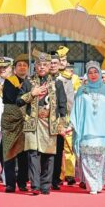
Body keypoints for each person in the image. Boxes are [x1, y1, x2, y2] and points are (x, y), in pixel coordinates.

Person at [17, 49, 67, 195]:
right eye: (39, 64)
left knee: (49, 155)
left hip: (50, 123)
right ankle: (35, 185)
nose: (42, 67)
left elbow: (62, 105)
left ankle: (46, 185)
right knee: (33, 154)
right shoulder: (28, 82)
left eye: (45, 64)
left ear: (49, 66)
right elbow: (18, 101)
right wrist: (31, 94)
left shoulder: (57, 83)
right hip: (33, 122)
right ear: (35, 66)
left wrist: (62, 124)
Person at [71, 61, 105, 194]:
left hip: (104, 132)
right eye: (90, 72)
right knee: (88, 160)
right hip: (86, 132)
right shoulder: (82, 90)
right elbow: (76, 111)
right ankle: (92, 184)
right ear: (86, 75)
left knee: (101, 161)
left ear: (100, 73)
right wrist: (73, 125)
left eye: (95, 72)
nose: (93, 75)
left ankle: (98, 182)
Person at [2, 53, 29, 193]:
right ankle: (10, 183)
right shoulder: (9, 81)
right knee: (9, 152)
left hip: (26, 121)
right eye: (19, 65)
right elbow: (12, 98)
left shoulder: (31, 82)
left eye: (25, 65)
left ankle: (23, 182)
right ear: (15, 68)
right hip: (11, 120)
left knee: (24, 154)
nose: (22, 67)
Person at [48, 51, 74, 189]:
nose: (52, 66)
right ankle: (44, 177)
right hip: (43, 120)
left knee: (58, 151)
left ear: (59, 65)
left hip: (59, 120)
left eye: (55, 63)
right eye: (50, 63)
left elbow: (69, 103)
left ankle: (55, 179)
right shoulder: (40, 78)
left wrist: (65, 123)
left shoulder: (66, 80)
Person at [56, 46, 78, 186]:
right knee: (58, 147)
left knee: (70, 146)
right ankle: (59, 174)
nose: (62, 62)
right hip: (56, 116)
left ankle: (70, 174)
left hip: (69, 115)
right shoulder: (53, 76)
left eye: (64, 60)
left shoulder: (74, 77)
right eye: (59, 60)